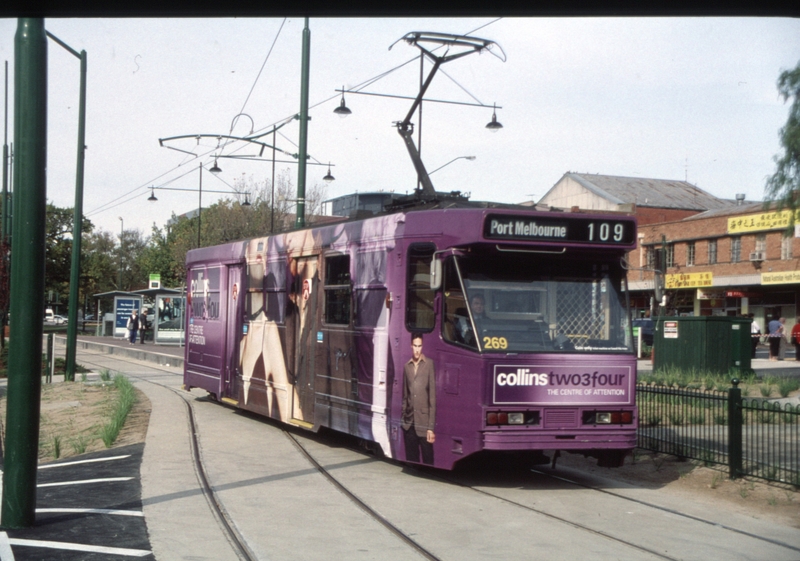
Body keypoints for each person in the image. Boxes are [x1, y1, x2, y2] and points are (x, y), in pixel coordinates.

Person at [402, 334, 436, 465]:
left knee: (428, 462)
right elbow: (405, 395)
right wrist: (403, 418)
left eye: (419, 346)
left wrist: (430, 428)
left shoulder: (429, 364)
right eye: (415, 346)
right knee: (412, 463)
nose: (417, 349)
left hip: (424, 423)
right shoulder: (407, 366)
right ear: (411, 346)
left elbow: (432, 398)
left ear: (422, 347)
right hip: (409, 423)